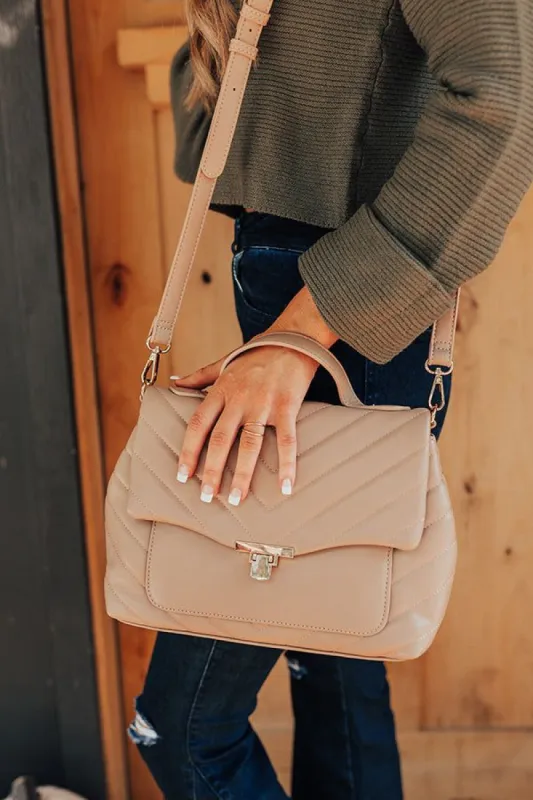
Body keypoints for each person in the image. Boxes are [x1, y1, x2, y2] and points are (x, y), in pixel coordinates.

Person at [129, 1, 533, 797]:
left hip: (343, 308)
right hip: (306, 293)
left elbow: (501, 97)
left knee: (177, 730)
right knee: (335, 664)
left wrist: (304, 330)